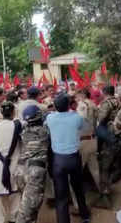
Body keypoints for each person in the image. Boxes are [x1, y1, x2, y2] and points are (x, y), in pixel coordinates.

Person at [46, 93, 90, 223]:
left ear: (55, 106)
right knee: (78, 189)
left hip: (58, 161)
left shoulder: (50, 118)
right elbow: (85, 128)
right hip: (74, 158)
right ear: (69, 105)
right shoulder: (77, 118)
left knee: (61, 196)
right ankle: (85, 216)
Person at [0, 102, 23, 223]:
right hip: (14, 167)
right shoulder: (18, 125)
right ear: (13, 112)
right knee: (15, 198)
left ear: (1, 113)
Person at [16, 105, 50, 223]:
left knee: (29, 205)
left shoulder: (23, 130)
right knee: (26, 212)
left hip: (20, 169)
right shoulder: (44, 130)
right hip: (35, 171)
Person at [96, 85, 121, 201]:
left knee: (106, 160)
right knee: (118, 154)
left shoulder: (106, 103)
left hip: (109, 132)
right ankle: (117, 173)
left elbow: (102, 118)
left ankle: (106, 188)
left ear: (104, 92)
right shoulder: (118, 100)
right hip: (119, 130)